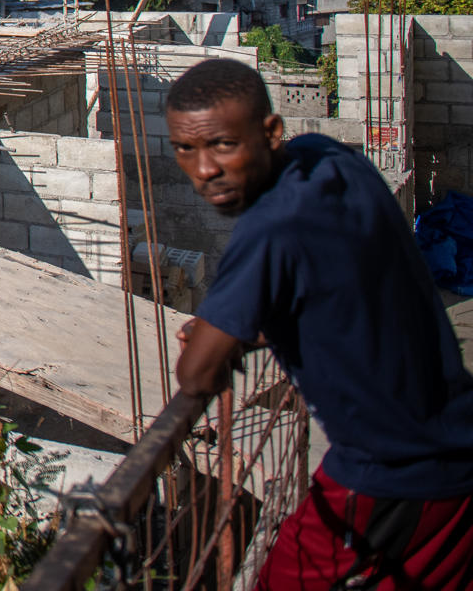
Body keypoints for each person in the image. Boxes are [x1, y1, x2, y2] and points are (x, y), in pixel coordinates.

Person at [169, 58, 473, 590]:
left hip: (390, 474)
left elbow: (195, 376)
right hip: (456, 440)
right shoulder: (329, 160)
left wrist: (220, 332)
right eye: (185, 149)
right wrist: (253, 328)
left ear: (270, 132)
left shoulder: (266, 231)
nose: (204, 170)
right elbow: (336, 288)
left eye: (222, 144)